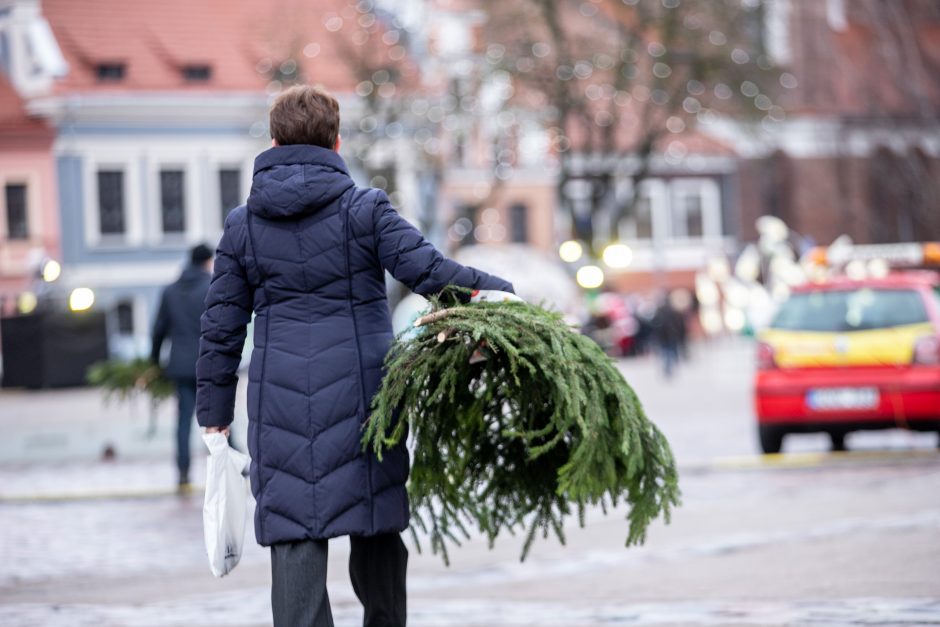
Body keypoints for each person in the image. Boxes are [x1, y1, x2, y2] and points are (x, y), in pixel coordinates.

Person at [196, 85, 513, 627]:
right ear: (337, 143)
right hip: (366, 397)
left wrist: (215, 418)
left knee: (295, 530)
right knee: (376, 522)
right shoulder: (363, 210)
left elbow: (221, 328)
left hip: (281, 405)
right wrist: (501, 293)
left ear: (273, 141)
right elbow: (431, 274)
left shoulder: (242, 225)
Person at [151, 243, 214, 489]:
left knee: (183, 421)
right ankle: (234, 464)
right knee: (218, 417)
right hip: (207, 363)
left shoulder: (170, 290)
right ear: (207, 261)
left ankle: (183, 471)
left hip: (179, 365)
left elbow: (158, 331)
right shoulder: (210, 286)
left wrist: (154, 363)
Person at [651, 291, 687, 379]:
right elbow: (679, 324)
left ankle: (668, 367)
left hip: (664, 335)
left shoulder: (659, 311)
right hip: (671, 334)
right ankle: (671, 366)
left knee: (666, 352)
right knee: (671, 351)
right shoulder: (673, 311)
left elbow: (654, 324)